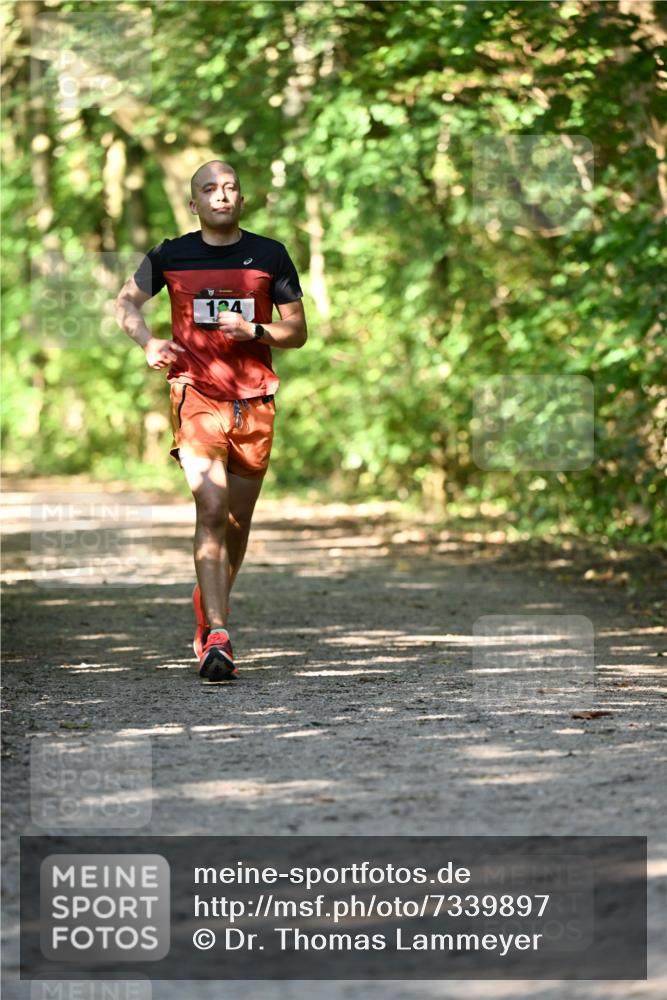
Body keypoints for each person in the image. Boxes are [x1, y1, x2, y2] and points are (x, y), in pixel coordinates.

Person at [115, 161, 307, 682]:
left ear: (241, 201)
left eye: (230, 188)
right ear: (193, 204)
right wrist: (149, 341)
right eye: (208, 189)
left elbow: (298, 332)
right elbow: (126, 302)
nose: (221, 196)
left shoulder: (270, 255)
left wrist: (257, 329)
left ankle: (206, 611)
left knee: (237, 526)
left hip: (255, 402)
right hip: (195, 394)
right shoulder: (171, 254)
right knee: (212, 506)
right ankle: (218, 636)